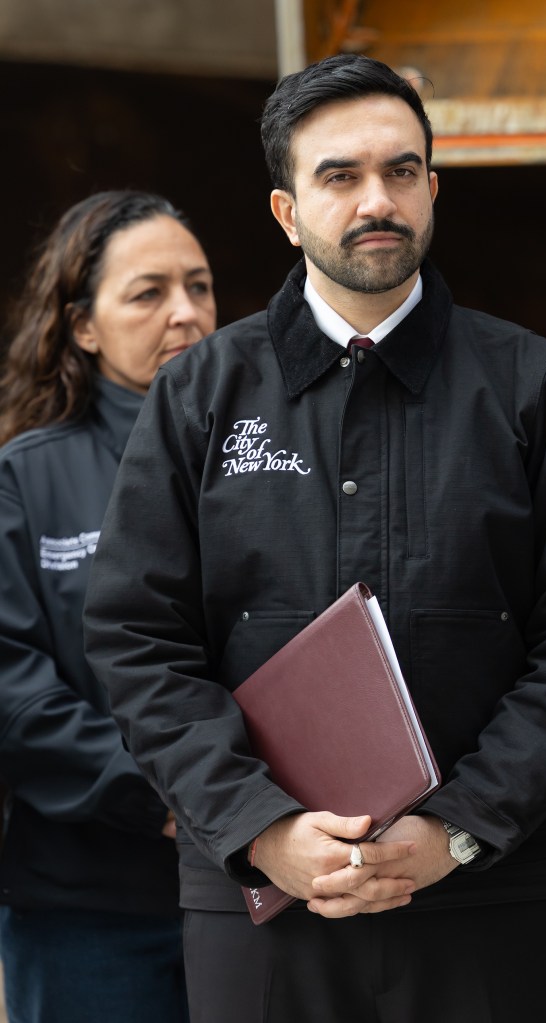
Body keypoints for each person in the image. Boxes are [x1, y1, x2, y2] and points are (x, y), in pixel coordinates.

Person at [83, 56, 546, 1023]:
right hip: (263, 907)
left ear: (434, 188)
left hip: (488, 900)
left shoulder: (535, 385)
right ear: (286, 211)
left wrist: (461, 827)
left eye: (401, 172)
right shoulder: (200, 393)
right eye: (339, 176)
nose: (375, 200)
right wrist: (262, 829)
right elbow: (137, 637)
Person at [0, 189, 216, 1023]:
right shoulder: (26, 477)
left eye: (199, 286)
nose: (186, 313)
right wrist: (167, 798)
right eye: (149, 292)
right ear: (84, 326)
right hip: (86, 910)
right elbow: (14, 696)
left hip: (256, 893)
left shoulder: (269, 459)